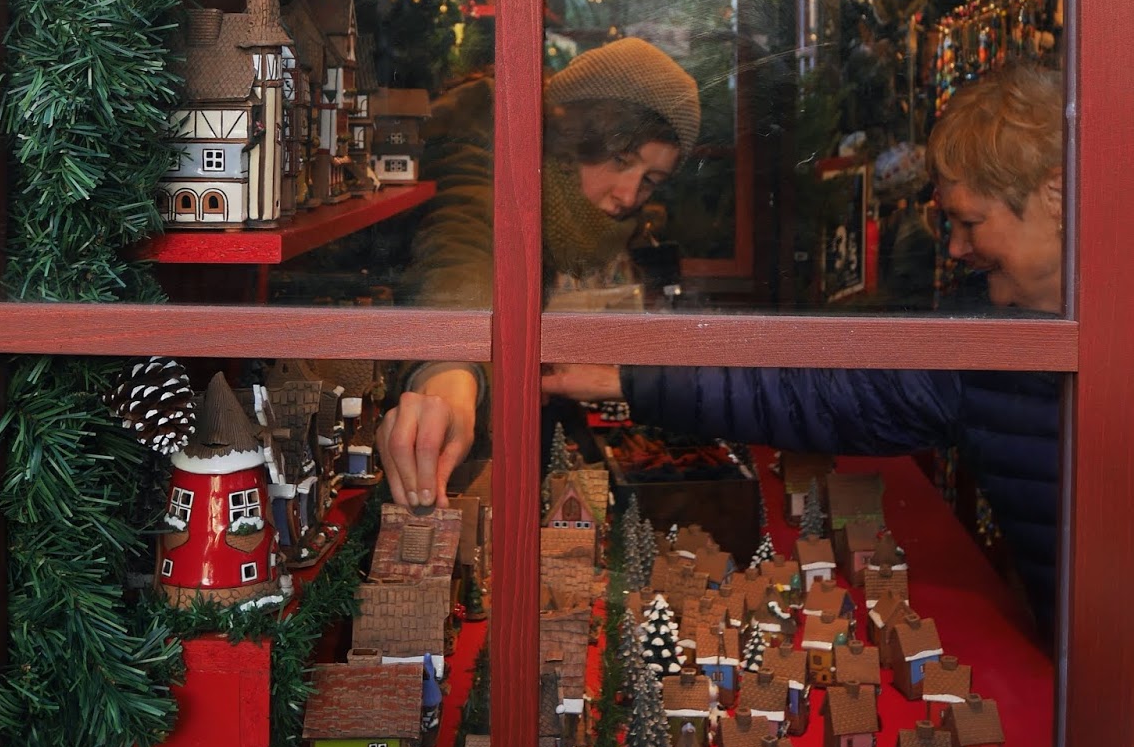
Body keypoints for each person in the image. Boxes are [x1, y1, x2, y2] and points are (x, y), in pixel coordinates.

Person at [543, 63, 1066, 632]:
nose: (959, 248)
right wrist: (623, 379)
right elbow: (815, 392)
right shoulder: (984, 340)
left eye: (970, 221)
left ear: (1056, 195)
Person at [376, 37, 700, 509]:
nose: (630, 197)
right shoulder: (493, 132)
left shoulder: (584, 217)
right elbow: (461, 242)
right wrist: (448, 374)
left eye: (650, 180)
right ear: (579, 135)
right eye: (621, 161)